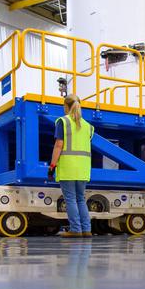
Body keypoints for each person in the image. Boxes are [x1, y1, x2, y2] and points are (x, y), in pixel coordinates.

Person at [49, 93, 93, 238]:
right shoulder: (88, 126)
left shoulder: (63, 121)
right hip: (83, 168)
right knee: (81, 199)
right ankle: (86, 229)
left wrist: (52, 165)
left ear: (66, 107)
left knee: (71, 199)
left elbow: (59, 145)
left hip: (68, 167)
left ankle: (75, 229)